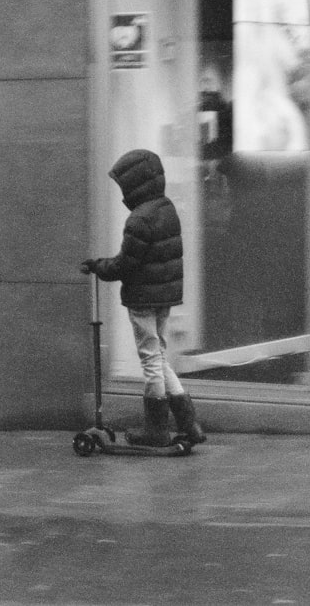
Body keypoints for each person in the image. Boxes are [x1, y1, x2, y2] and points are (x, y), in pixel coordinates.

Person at [81, 149, 205, 447]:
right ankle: (189, 424)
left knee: (150, 361)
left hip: (142, 299)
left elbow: (125, 265)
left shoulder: (139, 220)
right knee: (160, 357)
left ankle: (156, 429)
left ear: (134, 185)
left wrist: (98, 266)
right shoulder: (167, 209)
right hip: (165, 297)